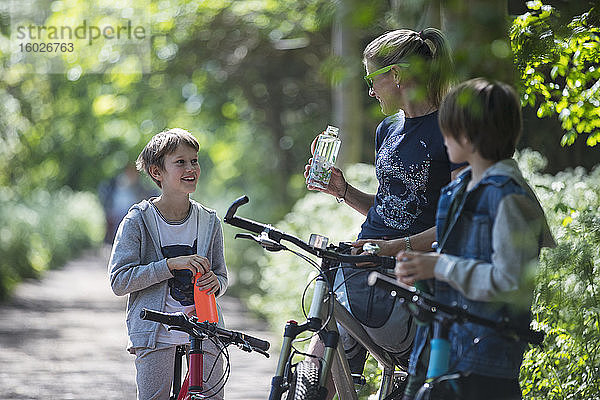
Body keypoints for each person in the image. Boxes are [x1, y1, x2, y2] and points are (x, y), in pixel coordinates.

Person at [304, 28, 464, 392]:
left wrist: (397, 247)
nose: (371, 91)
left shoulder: (451, 131)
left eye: (371, 79)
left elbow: (458, 220)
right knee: (317, 360)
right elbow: (391, 206)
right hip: (365, 261)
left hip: (413, 274)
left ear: (396, 75)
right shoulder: (386, 130)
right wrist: (342, 191)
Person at [394, 78, 555, 399]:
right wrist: (421, 272)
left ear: (467, 136)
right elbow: (455, 261)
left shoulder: (509, 198)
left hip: (483, 363)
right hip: (440, 346)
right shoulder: (459, 188)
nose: (442, 135)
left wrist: (439, 267)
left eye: (447, 128)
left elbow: (509, 281)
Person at [109, 128, 228, 400]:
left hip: (205, 331)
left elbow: (221, 276)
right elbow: (119, 281)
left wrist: (217, 283)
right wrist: (170, 265)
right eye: (180, 162)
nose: (191, 168)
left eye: (194, 160)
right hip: (155, 331)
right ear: (156, 172)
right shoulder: (137, 220)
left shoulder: (209, 221)